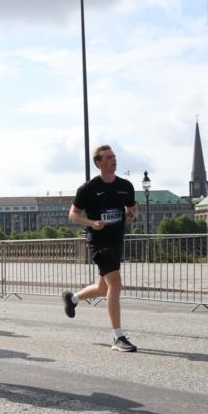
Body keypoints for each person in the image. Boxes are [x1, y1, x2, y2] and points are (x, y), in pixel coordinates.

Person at [63, 144, 139, 352]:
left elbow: (132, 208)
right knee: (116, 283)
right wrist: (91, 223)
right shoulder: (88, 189)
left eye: (114, 156)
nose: (113, 160)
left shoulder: (125, 186)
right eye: (108, 157)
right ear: (98, 163)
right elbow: (73, 214)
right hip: (98, 241)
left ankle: (73, 298)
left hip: (117, 240)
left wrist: (132, 216)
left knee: (103, 288)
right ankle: (118, 337)